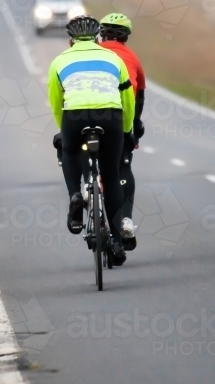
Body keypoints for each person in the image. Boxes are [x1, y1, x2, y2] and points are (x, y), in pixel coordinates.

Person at [48, 15, 135, 267]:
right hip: (110, 115)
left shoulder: (59, 61)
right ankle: (117, 243)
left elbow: (56, 101)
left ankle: (76, 195)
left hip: (74, 117)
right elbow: (127, 97)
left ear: (70, 40)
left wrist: (63, 131)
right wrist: (127, 127)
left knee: (71, 152)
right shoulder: (114, 58)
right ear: (98, 38)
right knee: (110, 175)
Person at [97, 13, 145, 250]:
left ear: (101, 34)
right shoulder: (131, 57)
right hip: (118, 119)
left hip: (83, 116)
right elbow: (139, 94)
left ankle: (84, 190)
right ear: (126, 36)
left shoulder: (92, 54)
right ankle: (125, 218)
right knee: (121, 168)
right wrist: (135, 125)